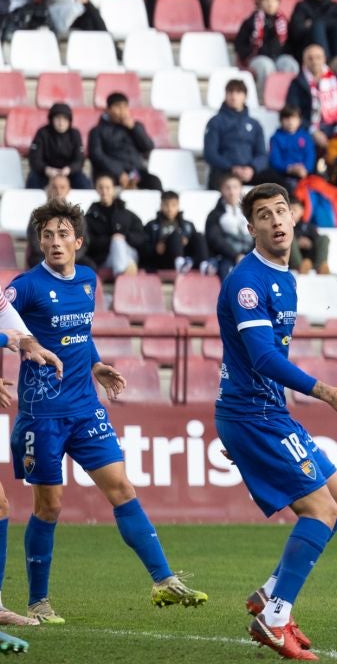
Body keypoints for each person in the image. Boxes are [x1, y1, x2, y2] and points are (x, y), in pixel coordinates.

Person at [10, 200, 205, 629]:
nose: (55, 242)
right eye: (47, 235)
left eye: (63, 234)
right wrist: (20, 341)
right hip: (42, 413)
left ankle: (163, 579)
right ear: (39, 242)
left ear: (78, 241)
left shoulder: (87, 280)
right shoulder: (25, 286)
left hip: (85, 406)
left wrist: (96, 364)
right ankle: (38, 601)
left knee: (121, 486)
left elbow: (81, 335)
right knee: (49, 506)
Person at [210, 183, 337, 656]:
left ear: (295, 217)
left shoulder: (286, 276)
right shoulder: (246, 283)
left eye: (281, 211)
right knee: (319, 509)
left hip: (265, 413)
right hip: (252, 414)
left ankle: (269, 593)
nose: (276, 220)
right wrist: (326, 393)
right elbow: (260, 358)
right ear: (251, 228)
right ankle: (274, 617)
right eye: (264, 215)